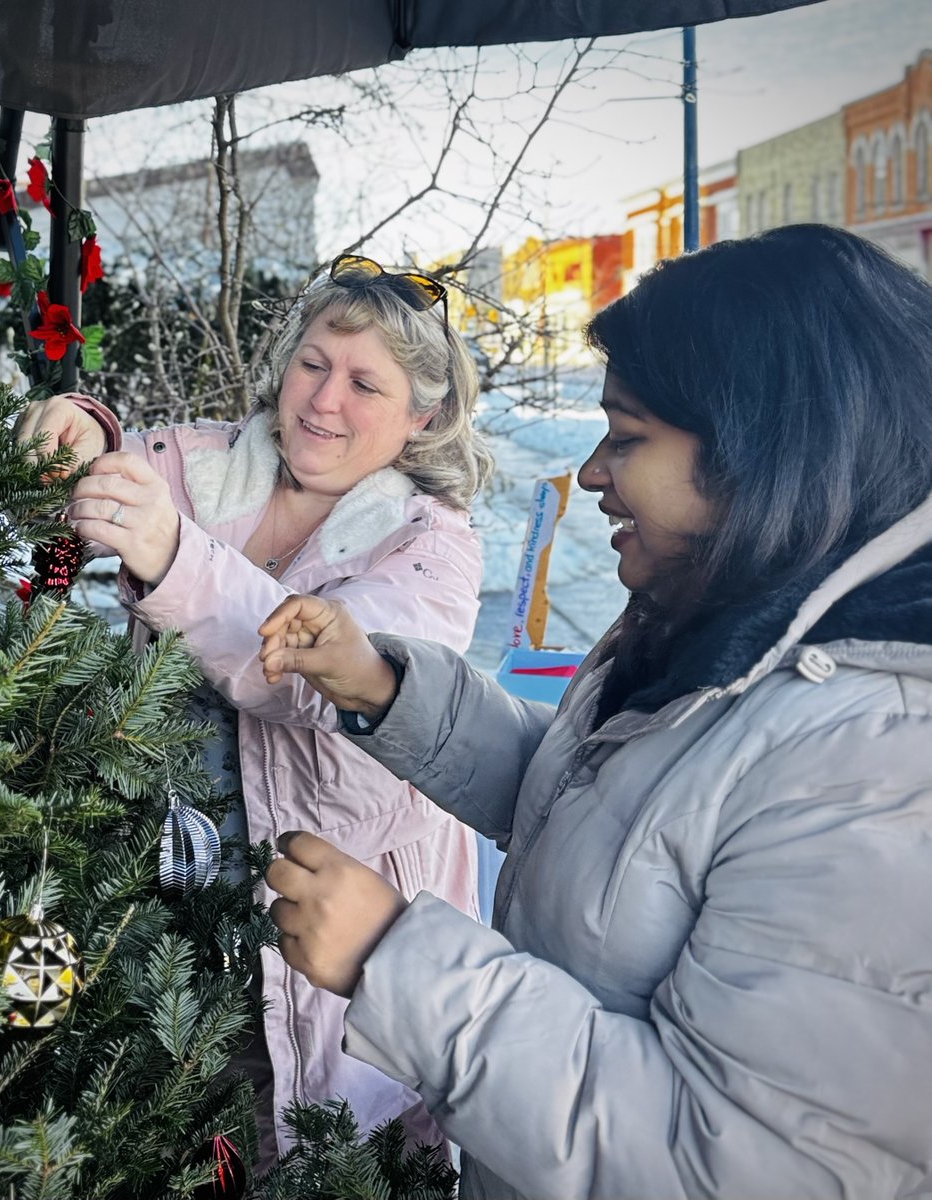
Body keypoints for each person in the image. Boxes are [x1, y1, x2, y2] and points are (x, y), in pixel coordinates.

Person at [259, 225, 932, 1198]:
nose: (590, 475)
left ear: (762, 451)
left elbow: (732, 1167)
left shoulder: (877, 764)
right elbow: (612, 814)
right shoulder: (718, 626)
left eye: (627, 438)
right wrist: (389, 690)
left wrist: (395, 962)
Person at [15, 254, 493, 1163]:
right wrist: (76, 430)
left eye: (364, 385)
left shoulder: (431, 551)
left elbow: (313, 675)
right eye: (313, 363)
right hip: (160, 916)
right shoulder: (204, 467)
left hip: (318, 950)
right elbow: (88, 482)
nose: (323, 400)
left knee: (305, 1149)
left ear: (422, 417)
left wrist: (171, 554)